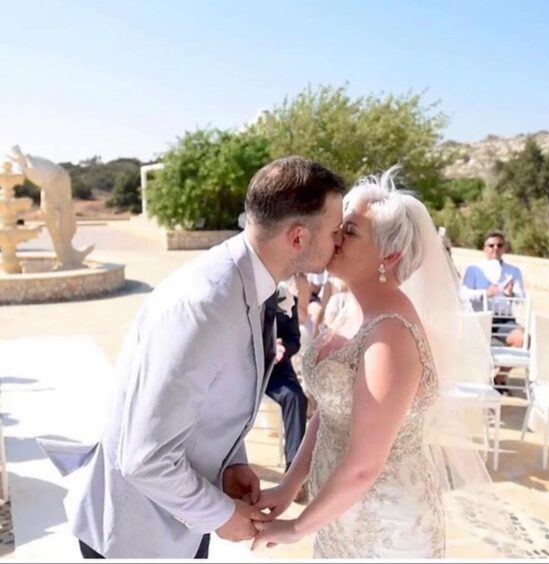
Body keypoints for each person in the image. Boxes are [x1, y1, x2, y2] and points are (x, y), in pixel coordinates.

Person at [38, 156, 346, 559]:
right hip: (136, 536)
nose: (339, 241)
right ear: (298, 237)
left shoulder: (250, 281)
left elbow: (214, 394)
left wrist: (231, 463)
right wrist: (221, 515)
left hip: (178, 518)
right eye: (336, 231)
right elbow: (144, 457)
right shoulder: (203, 307)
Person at [251, 166, 492, 558]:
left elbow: (365, 464)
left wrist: (296, 527)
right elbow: (328, 413)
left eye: (349, 231)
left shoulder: (391, 335)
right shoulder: (347, 308)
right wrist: (288, 486)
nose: (335, 237)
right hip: (338, 511)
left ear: (389, 254)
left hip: (385, 524)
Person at [462, 230, 526, 390]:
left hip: (503, 320)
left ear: (504, 248)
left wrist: (511, 293)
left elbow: (522, 296)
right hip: (479, 318)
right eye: (491, 245)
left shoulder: (513, 271)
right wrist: (485, 293)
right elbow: (463, 293)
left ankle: (500, 376)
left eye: (499, 245)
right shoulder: (474, 269)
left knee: (523, 340)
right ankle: (479, 385)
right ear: (485, 248)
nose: (495, 249)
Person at [265, 291, 308, 500]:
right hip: (245, 369)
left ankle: (293, 472)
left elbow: (295, 340)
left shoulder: (287, 298)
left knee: (295, 397)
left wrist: (282, 349)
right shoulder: (244, 294)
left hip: (278, 370)